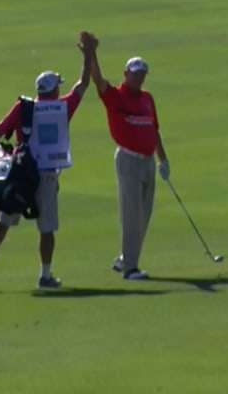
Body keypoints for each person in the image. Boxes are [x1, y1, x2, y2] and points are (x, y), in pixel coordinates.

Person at [0, 33, 95, 290]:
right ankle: (44, 276)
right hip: (47, 174)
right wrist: (88, 54)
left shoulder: (23, 108)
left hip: (19, 173)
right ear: (55, 90)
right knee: (46, 228)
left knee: (3, 220)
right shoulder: (62, 107)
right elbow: (83, 84)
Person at [88, 38, 169, 280]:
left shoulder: (147, 98)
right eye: (135, 74)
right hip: (128, 160)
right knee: (131, 212)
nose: (139, 78)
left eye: (142, 74)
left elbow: (153, 130)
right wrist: (91, 54)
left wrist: (162, 160)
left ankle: (126, 257)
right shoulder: (115, 96)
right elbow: (97, 80)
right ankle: (130, 267)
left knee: (145, 212)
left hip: (147, 162)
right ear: (126, 74)